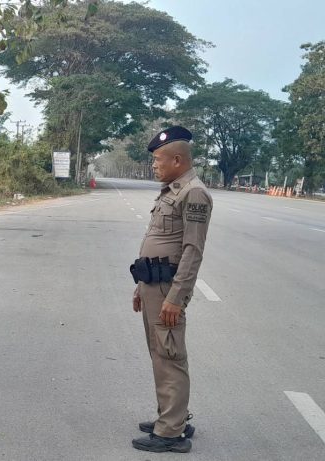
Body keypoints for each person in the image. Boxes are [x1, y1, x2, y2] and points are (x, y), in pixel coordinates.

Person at [130, 126, 212, 454]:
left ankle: (171, 432)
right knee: (161, 354)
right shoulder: (172, 191)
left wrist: (176, 298)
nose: (154, 165)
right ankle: (171, 417)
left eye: (158, 160)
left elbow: (193, 250)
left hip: (168, 289)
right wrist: (141, 286)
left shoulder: (194, 193)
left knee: (170, 355)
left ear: (177, 160)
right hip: (153, 284)